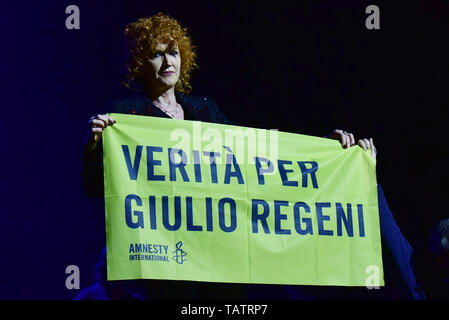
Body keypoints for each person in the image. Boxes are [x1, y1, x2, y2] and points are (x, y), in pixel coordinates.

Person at [79, 12, 421, 300]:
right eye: (157, 54)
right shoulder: (126, 116)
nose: (168, 62)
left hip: (220, 256)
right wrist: (93, 147)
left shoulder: (204, 108)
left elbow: (252, 157)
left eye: (173, 53)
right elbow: (99, 190)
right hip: (169, 259)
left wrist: (325, 150)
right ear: (140, 63)